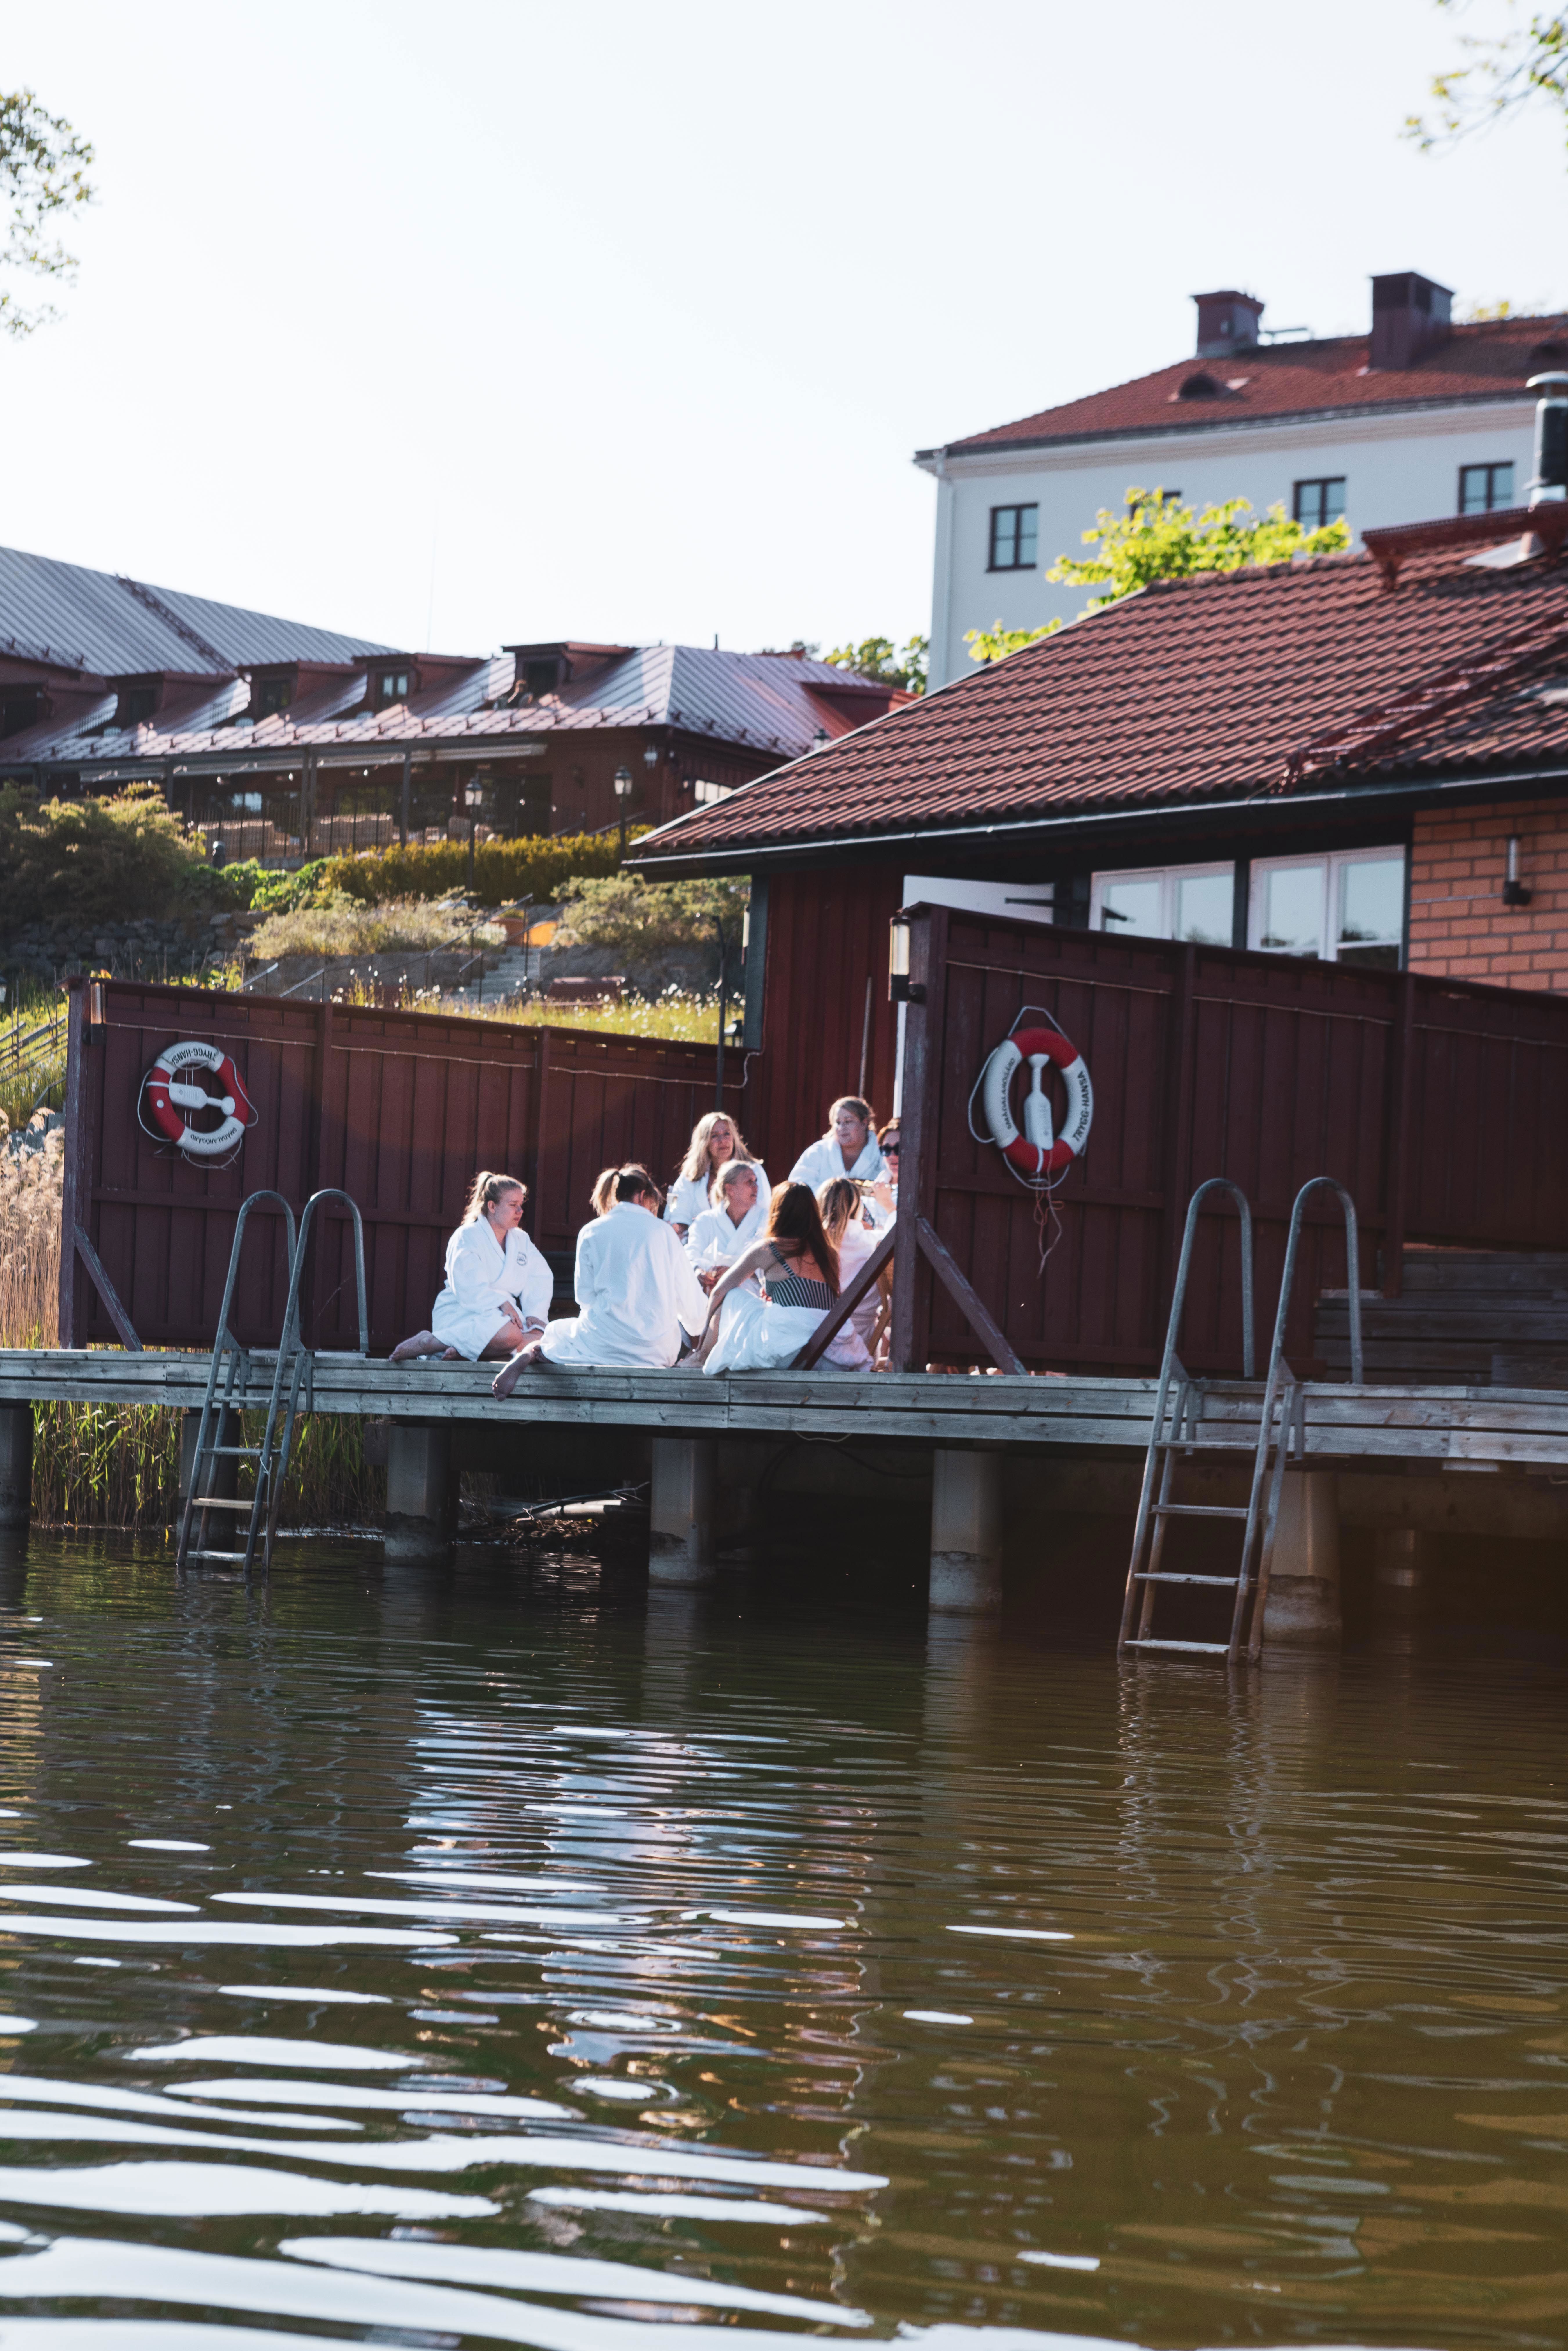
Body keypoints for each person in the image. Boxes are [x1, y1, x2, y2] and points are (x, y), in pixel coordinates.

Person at [493, 1164, 708, 1395]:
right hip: (654, 1351)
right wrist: (699, 1329)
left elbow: (584, 1298)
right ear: (643, 1196)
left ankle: (534, 1352)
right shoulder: (663, 1232)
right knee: (667, 1335)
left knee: (557, 1332)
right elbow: (691, 1304)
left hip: (603, 1343)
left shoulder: (591, 1231)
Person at [696, 1181, 871, 1375]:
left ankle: (701, 1356)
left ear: (778, 1211)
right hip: (832, 1353)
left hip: (789, 1350)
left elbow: (720, 1290)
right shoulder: (828, 1252)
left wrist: (705, 1329)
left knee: (733, 1295)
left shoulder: (770, 1248)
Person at [390, 1172, 552, 1364]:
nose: (520, 1211)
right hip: (466, 1310)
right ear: (492, 1206)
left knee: (542, 1340)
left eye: (521, 1205)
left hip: (504, 1315)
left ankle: (463, 1352)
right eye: (513, 1205)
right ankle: (430, 1342)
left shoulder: (521, 1240)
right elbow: (467, 1286)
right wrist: (501, 1302)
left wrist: (535, 1312)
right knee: (512, 1337)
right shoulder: (467, 1236)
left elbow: (539, 1276)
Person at [663, 1112, 770, 1238]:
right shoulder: (691, 1176)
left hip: (744, 1243)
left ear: (734, 1139)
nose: (723, 1141)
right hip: (697, 1243)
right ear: (705, 1143)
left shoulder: (753, 1170)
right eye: (715, 1136)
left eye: (727, 1134)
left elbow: (764, 1212)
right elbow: (678, 1215)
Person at [816, 1176, 886, 1351]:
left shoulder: (807, 1243)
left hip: (814, 1344)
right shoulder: (876, 1243)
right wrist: (891, 1209)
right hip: (861, 1346)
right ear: (859, 1207)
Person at [685, 1159, 767, 1291]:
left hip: (751, 1296)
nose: (756, 1187)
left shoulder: (767, 1219)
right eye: (749, 1182)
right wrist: (698, 1271)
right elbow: (691, 1254)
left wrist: (736, 1272)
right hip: (709, 1292)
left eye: (756, 1181)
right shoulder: (706, 1221)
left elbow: (771, 1264)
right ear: (730, 1189)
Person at [788, 1096, 889, 1197]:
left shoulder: (884, 1153)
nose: (842, 1128)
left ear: (864, 1123)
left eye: (848, 1121)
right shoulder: (819, 1152)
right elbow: (797, 1185)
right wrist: (833, 1197)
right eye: (838, 1122)